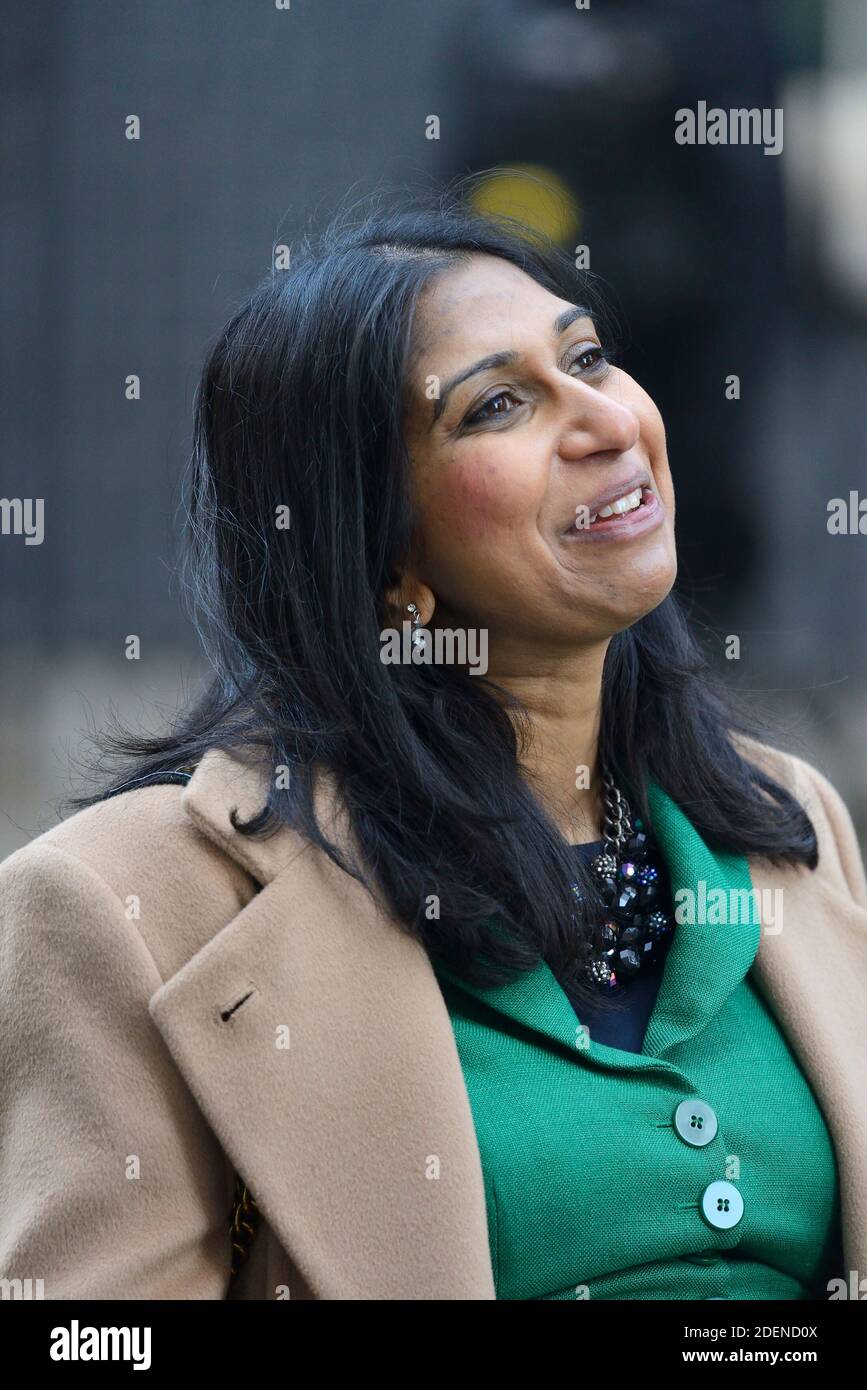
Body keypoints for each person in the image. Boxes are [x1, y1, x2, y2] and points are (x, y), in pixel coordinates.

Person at [1, 182, 865, 1301]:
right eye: (498, 407)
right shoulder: (122, 908)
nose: (607, 421)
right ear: (383, 557)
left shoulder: (785, 819)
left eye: (589, 359)